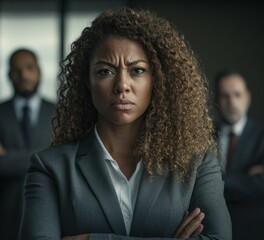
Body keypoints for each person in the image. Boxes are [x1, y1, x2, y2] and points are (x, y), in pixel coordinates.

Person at [20, 7, 231, 240]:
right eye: (105, 71)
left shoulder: (196, 161)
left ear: (157, 80)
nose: (122, 85)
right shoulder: (50, 167)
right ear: (87, 82)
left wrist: (92, 239)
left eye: (137, 70)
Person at [0, 48, 55, 240]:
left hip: (51, 216)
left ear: (39, 71)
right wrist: (46, 154)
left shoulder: (60, 113)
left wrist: (7, 154)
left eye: (29, 68)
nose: (24, 75)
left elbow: (64, 162)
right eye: (17, 70)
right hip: (2, 221)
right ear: (9, 75)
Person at [214, 69, 264, 240]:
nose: (232, 102)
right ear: (217, 100)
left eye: (237, 94)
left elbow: (261, 184)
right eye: (225, 95)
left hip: (253, 230)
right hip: (213, 229)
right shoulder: (204, 136)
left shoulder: (262, 134)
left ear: (248, 97)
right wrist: (244, 179)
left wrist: (215, 179)